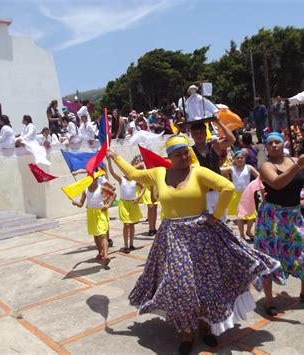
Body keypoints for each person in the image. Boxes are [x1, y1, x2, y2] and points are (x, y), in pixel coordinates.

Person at [107, 135, 280, 354]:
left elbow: (226, 187)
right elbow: (132, 174)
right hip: (173, 237)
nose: (183, 157)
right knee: (182, 285)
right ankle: (187, 332)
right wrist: (114, 157)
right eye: (177, 154)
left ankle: (205, 327)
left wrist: (216, 216)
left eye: (185, 152)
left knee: (205, 285)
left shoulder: (198, 171)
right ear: (168, 157)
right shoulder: (159, 173)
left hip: (201, 236)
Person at [255, 132, 304, 316]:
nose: (274, 146)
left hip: (293, 215)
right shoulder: (265, 165)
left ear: (283, 143)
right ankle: (269, 301)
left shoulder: (295, 160)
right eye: (270, 143)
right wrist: (298, 165)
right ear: (266, 147)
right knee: (269, 257)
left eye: (277, 142)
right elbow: (277, 184)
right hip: (272, 217)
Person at [72, 174, 117, 266]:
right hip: (91, 213)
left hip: (101, 213)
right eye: (89, 179)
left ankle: (106, 255)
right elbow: (81, 204)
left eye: (93, 179)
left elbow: (114, 194)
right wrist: (75, 202)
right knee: (96, 235)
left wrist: (108, 205)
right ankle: (100, 253)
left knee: (102, 234)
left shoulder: (101, 187)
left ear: (96, 179)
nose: (92, 180)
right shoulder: (85, 190)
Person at [107, 157, 144, 254]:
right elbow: (111, 172)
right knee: (126, 224)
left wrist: (139, 196)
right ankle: (126, 245)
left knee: (131, 224)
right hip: (123, 203)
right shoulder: (121, 179)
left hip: (133, 203)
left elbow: (143, 187)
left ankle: (131, 244)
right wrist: (109, 160)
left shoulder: (135, 179)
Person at [221, 151, 259, 241]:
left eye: (241, 158)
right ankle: (242, 235)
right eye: (237, 158)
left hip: (248, 194)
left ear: (244, 159)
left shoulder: (249, 167)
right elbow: (218, 169)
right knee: (240, 217)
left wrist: (255, 186)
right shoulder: (232, 168)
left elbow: (259, 176)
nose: (240, 159)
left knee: (252, 216)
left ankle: (248, 231)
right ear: (234, 159)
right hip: (237, 195)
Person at [131, 156, 158, 236]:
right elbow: (131, 170)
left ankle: (154, 227)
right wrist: (133, 162)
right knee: (150, 206)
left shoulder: (155, 164)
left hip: (155, 186)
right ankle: (150, 228)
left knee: (155, 207)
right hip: (147, 187)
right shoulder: (143, 164)